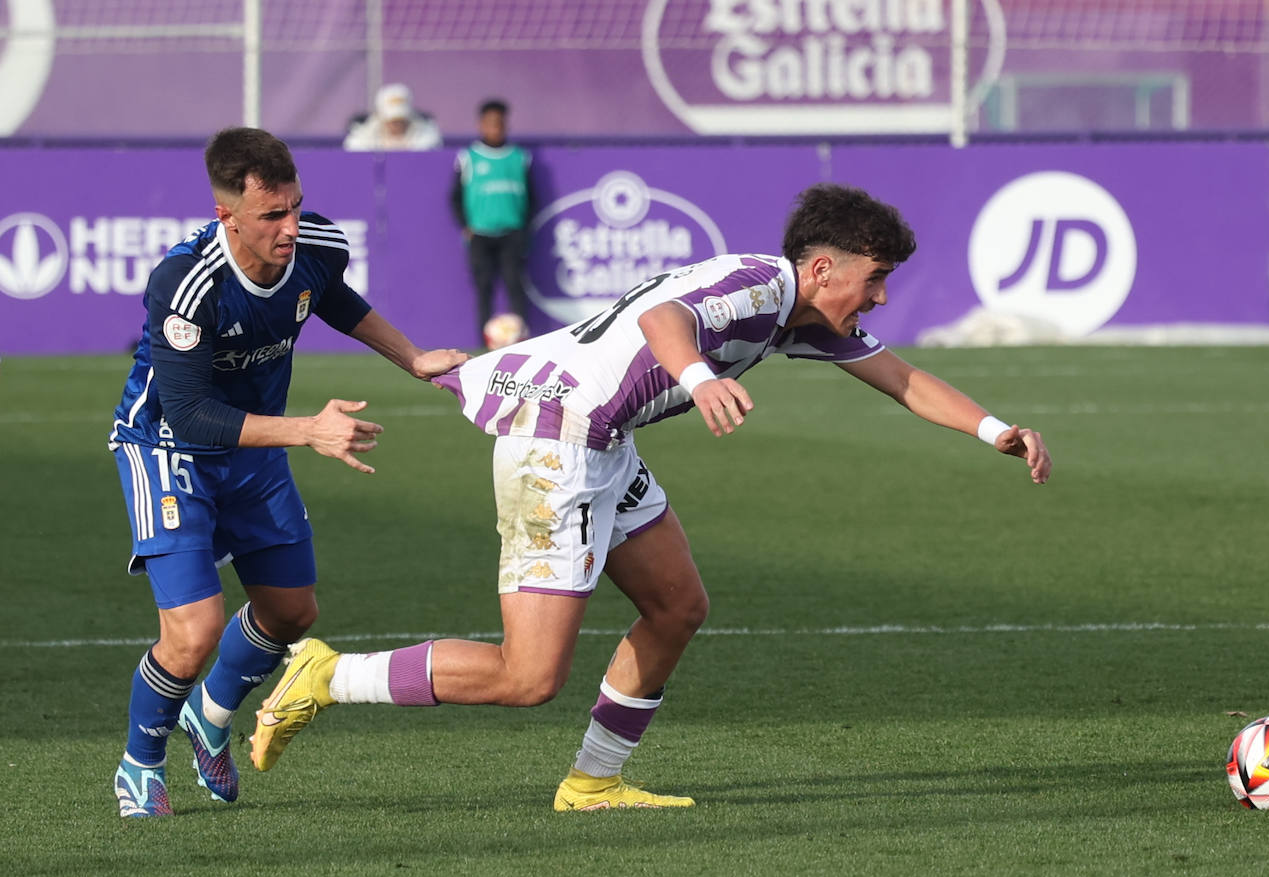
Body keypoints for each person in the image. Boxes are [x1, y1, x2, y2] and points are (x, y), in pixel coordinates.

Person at [250, 183, 1052, 811]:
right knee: (527, 677)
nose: (878, 298)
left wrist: (996, 431)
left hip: (602, 439)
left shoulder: (795, 313)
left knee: (677, 605)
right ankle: (326, 676)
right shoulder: (761, 285)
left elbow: (902, 378)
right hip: (556, 441)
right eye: (873, 280)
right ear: (821, 269)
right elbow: (667, 318)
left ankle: (593, 783)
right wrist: (700, 379)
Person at [108, 127, 465, 818]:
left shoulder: (318, 245)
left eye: (296, 206)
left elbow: (330, 294)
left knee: (292, 611)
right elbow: (189, 417)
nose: (291, 227)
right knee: (192, 632)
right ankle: (139, 764)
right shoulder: (186, 283)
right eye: (273, 215)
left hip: (258, 448)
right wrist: (308, 431)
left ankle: (210, 715)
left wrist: (412, 356)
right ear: (227, 216)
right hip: (167, 452)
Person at [449, 98, 532, 340]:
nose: (495, 128)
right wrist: (466, 226)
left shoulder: (519, 157)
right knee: (483, 288)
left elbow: (532, 196)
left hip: (511, 233)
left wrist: (523, 227)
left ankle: (522, 341)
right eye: (490, 123)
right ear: (481, 125)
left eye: (500, 123)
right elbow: (455, 196)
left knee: (515, 286)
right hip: (481, 234)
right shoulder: (469, 157)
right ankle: (485, 342)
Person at [343, 83, 442, 152]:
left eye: (401, 120)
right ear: (379, 116)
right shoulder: (365, 133)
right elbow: (354, 148)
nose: (396, 124)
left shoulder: (425, 133)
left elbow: (430, 147)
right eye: (391, 120)